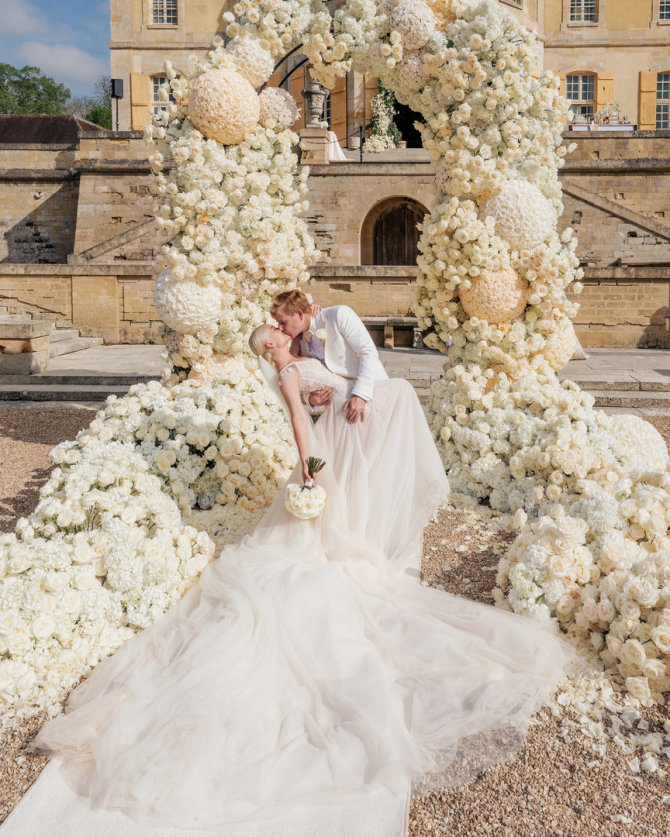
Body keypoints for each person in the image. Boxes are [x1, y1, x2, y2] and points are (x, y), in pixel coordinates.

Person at [2, 320, 575, 837]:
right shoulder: (288, 369)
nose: (276, 330)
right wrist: (309, 468)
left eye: (278, 328)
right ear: (270, 348)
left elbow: (324, 386)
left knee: (345, 510)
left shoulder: (303, 355)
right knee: (317, 554)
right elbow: (302, 419)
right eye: (271, 334)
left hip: (334, 432)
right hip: (320, 450)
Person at [270, 289, 387, 423]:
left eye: (283, 322)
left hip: (373, 394)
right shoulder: (299, 341)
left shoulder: (339, 315)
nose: (279, 327)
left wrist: (360, 395)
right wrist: (311, 400)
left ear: (300, 314)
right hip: (343, 413)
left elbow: (367, 351)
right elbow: (309, 379)